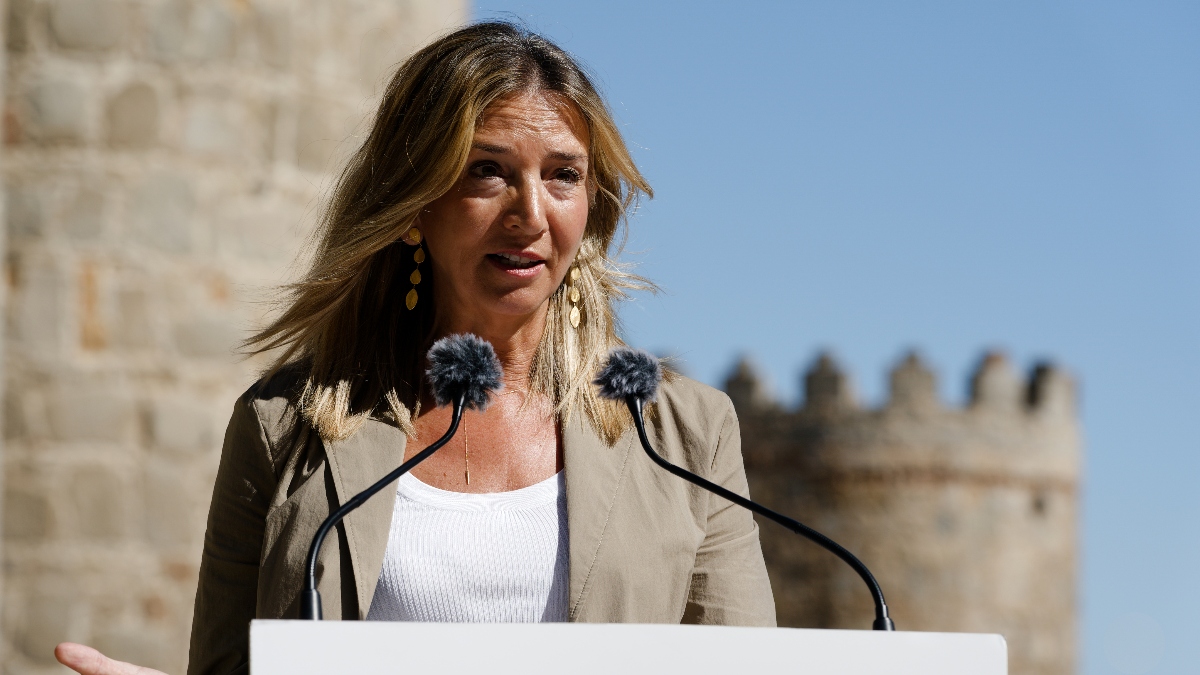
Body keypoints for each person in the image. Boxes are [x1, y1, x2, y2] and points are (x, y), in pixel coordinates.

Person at [56, 21, 775, 675]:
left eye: (563, 174)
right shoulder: (283, 426)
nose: (529, 213)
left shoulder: (685, 435)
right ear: (414, 205)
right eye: (486, 170)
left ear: (590, 208)